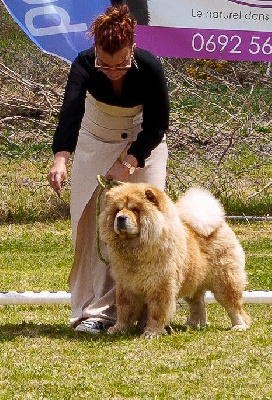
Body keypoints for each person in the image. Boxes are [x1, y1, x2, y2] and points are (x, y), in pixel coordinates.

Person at [48, 5, 169, 334]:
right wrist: (61, 158)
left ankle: (151, 313)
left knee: (150, 226)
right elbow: (70, 113)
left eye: (121, 64)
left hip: (144, 143)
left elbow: (158, 125)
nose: (113, 71)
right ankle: (97, 313)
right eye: (105, 63)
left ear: (132, 48)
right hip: (96, 139)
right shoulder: (84, 64)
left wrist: (129, 163)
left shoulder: (150, 67)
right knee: (98, 228)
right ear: (96, 49)